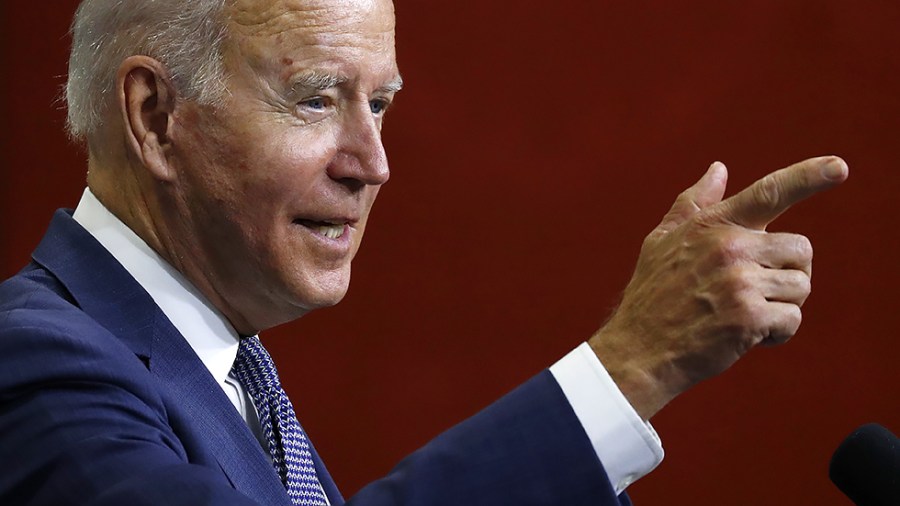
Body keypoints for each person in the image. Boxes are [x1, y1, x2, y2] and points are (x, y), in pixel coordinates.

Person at [0, 0, 848, 505]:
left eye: (381, 104)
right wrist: (632, 367)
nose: (373, 163)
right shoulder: (35, 364)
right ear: (155, 117)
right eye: (316, 99)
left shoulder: (228, 372)